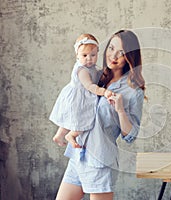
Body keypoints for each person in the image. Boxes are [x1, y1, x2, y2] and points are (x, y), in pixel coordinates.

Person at [55, 30, 145, 200]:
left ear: (130, 57)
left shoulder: (133, 92)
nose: (114, 55)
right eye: (111, 48)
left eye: (122, 52)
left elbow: (131, 135)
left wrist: (120, 110)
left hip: (100, 161)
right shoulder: (96, 76)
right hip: (78, 155)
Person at [49, 33, 113, 148]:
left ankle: (59, 136)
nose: (89, 58)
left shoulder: (90, 67)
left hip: (78, 96)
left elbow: (95, 75)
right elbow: (89, 86)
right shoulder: (81, 70)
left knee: (71, 118)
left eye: (93, 55)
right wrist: (104, 91)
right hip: (78, 97)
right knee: (82, 119)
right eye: (84, 55)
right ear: (77, 55)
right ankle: (71, 135)